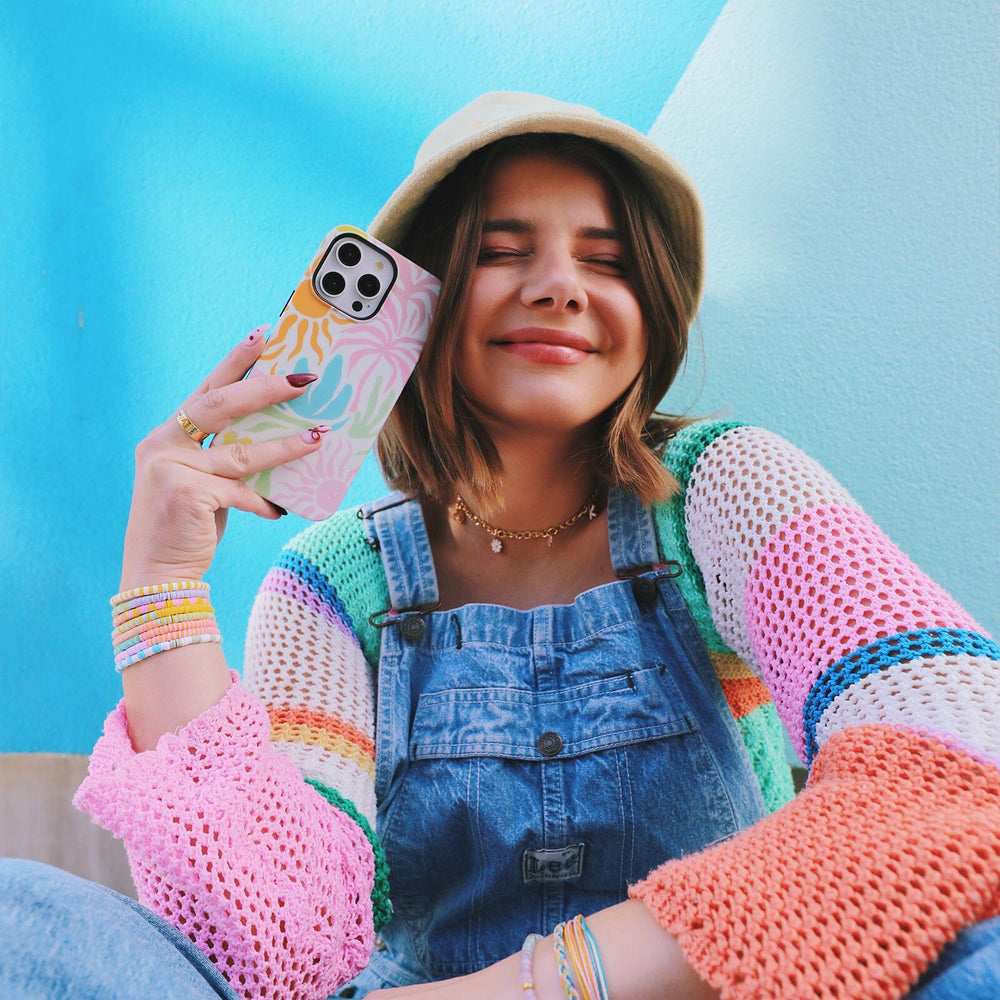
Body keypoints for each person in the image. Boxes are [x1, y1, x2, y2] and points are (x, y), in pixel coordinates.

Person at [1, 92, 997, 1000]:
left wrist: (542, 985)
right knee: (22, 920)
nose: (560, 286)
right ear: (417, 305)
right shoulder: (333, 586)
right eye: (501, 250)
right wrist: (162, 587)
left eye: (607, 260)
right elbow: (275, 957)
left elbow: (962, 755)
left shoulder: (723, 488)